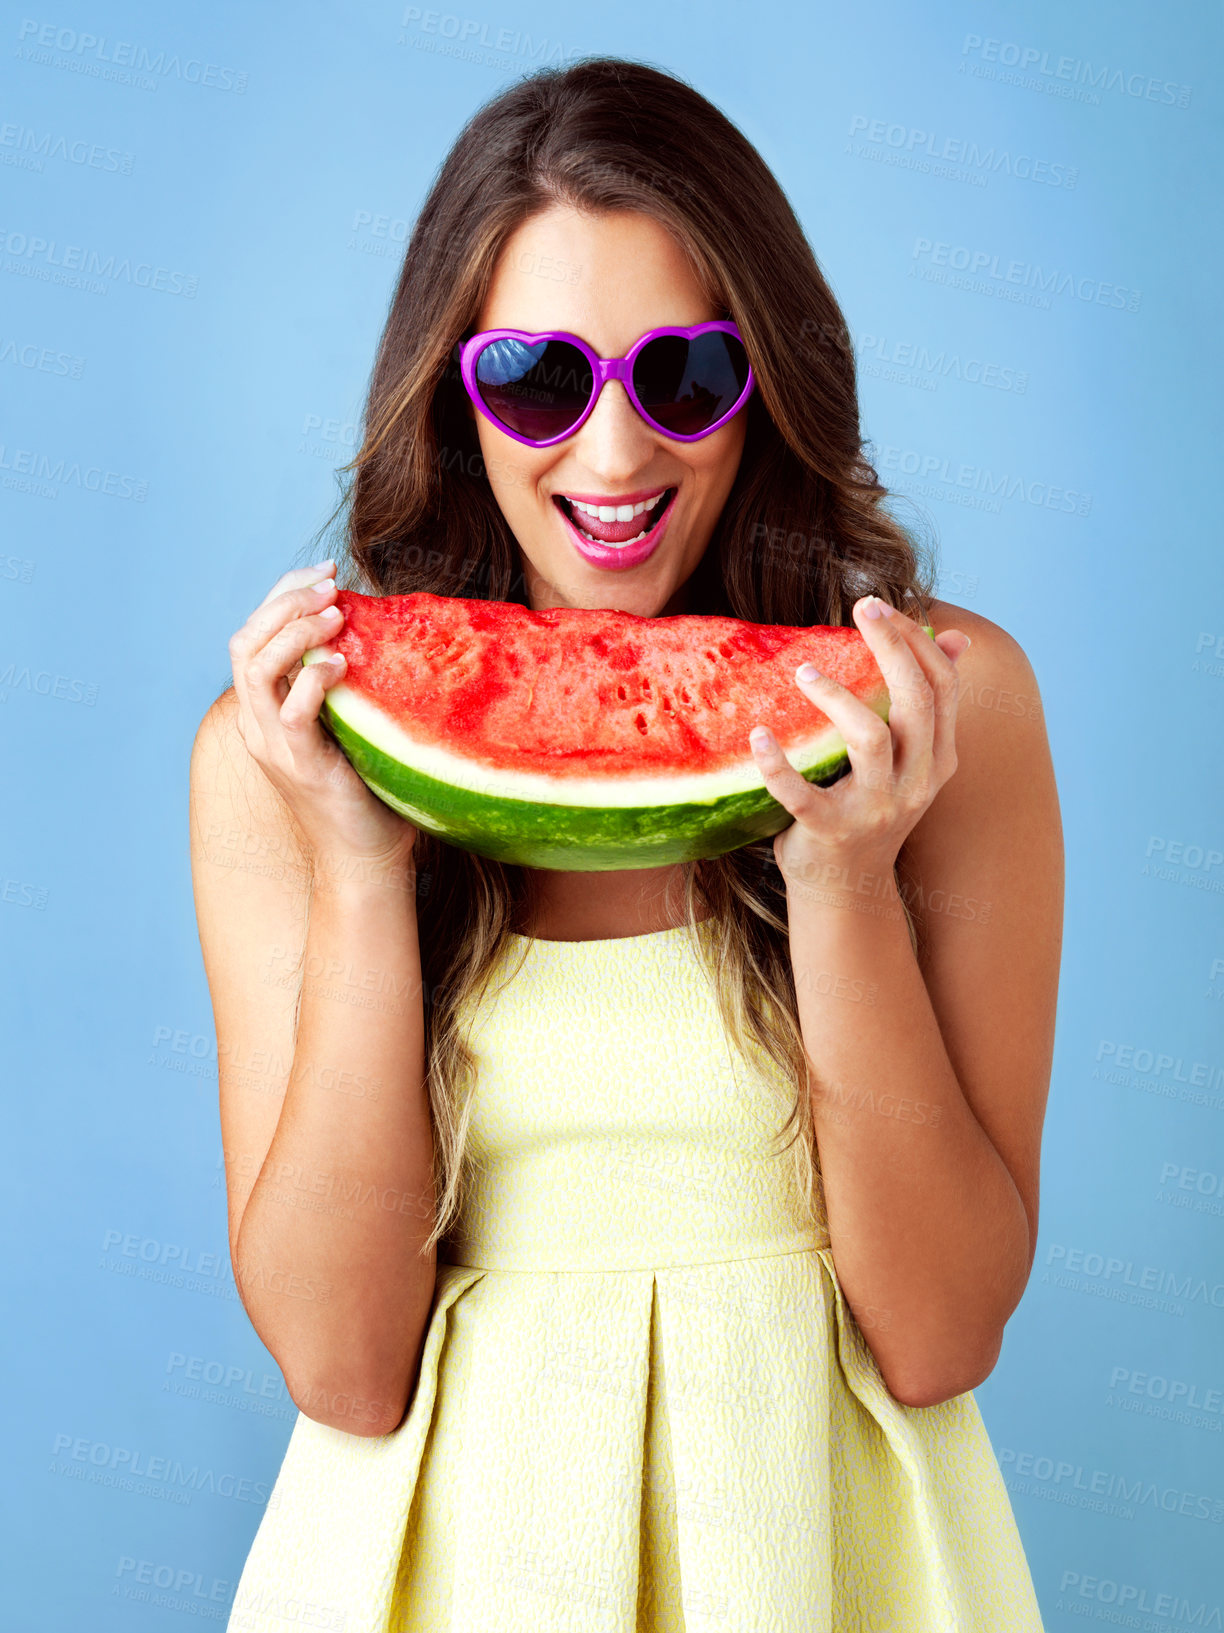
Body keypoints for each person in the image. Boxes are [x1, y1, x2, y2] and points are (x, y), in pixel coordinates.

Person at [189, 56, 1061, 1633]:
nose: (608, 458)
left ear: (767, 383)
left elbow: (939, 1334)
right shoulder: (286, 753)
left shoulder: (944, 714)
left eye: (681, 377)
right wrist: (362, 864)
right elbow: (340, 1361)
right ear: (456, 390)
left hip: (821, 1568)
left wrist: (844, 882)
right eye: (535, 378)